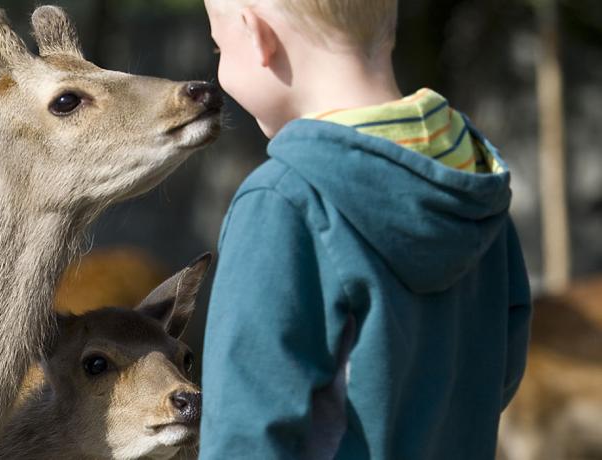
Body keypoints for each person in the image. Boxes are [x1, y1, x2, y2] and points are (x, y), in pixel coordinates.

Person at [199, 0, 532, 458]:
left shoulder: (284, 201)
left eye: (218, 49)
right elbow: (500, 374)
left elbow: (245, 432)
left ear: (257, 36)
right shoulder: (473, 180)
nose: (218, 65)